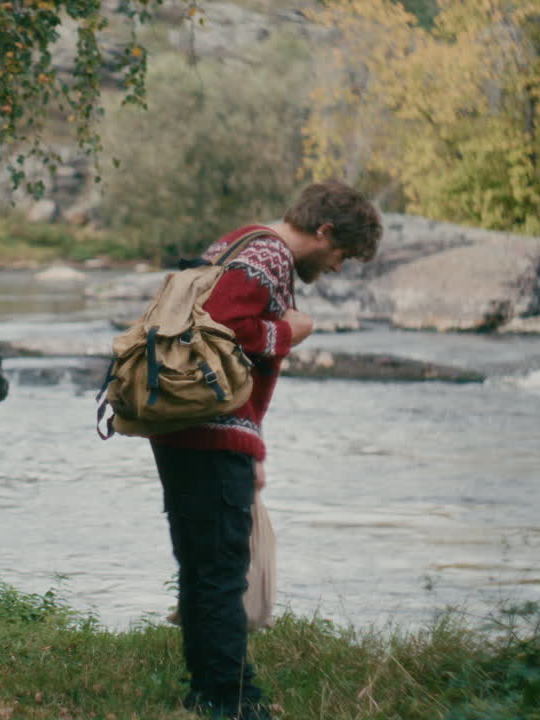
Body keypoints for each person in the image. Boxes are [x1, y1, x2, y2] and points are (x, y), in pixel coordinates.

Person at [150, 181, 382, 720]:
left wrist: (251, 449)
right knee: (224, 572)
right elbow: (228, 327)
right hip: (210, 431)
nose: (338, 267)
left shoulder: (240, 240)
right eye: (342, 254)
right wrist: (290, 330)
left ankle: (208, 690)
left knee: (201, 566)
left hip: (186, 429)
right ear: (324, 231)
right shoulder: (269, 256)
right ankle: (234, 702)